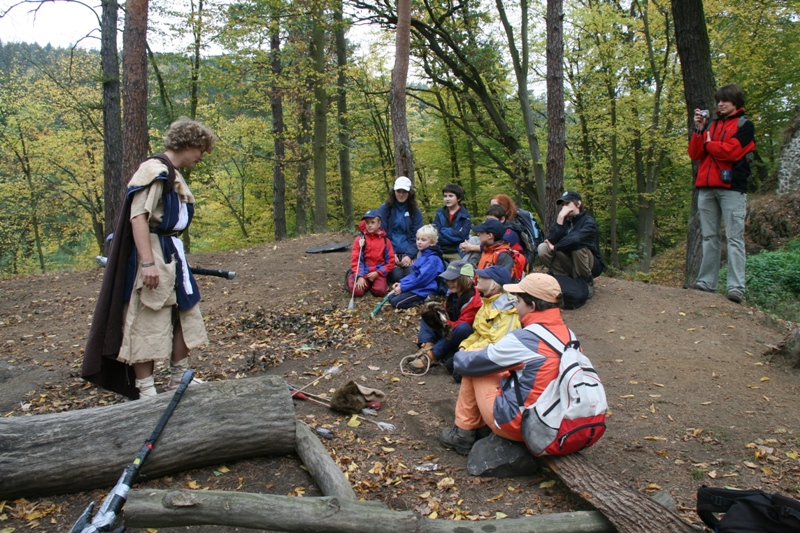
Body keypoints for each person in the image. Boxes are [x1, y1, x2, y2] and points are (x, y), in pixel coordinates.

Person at [82, 118, 216, 399]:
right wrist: (147, 263)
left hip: (172, 254)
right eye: (200, 150)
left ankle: (179, 378)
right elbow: (138, 217)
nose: (201, 157)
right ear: (188, 144)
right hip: (154, 253)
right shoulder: (153, 170)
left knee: (186, 314)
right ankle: (146, 389)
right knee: (147, 318)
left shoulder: (173, 173)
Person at [439, 274, 576, 455]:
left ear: (532, 306)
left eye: (518, 301)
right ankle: (475, 427)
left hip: (523, 424)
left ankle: (463, 433)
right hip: (557, 418)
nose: (515, 306)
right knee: (495, 370)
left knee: (475, 368)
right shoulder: (569, 336)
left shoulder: (527, 338)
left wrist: (460, 356)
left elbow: (472, 363)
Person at [688, 84, 755, 304]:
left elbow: (733, 152)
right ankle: (707, 283)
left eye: (725, 100)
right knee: (709, 237)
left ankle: (736, 288)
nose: (720, 104)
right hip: (706, 187)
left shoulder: (745, 125)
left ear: (736, 102)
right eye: (719, 100)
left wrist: (709, 143)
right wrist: (699, 131)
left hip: (732, 189)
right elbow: (695, 153)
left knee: (734, 238)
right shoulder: (712, 126)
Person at [404, 260, 482, 374]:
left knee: (463, 328)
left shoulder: (474, 301)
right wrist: (437, 317)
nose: (449, 283)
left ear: (466, 280)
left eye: (454, 280)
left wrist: (443, 322)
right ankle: (427, 345)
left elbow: (461, 325)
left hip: (461, 338)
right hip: (449, 330)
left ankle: (432, 356)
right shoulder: (454, 294)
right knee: (429, 313)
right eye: (448, 279)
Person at [537, 191, 604, 298]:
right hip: (567, 261)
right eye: (563, 205)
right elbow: (550, 241)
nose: (564, 208)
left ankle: (586, 281)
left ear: (578, 204)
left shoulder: (589, 222)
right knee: (542, 248)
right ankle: (564, 278)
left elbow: (577, 239)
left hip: (588, 263)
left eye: (567, 204)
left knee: (577, 246)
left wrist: (557, 247)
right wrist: (559, 219)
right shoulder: (564, 222)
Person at [378, 176, 424, 284]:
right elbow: (382, 234)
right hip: (390, 252)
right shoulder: (385, 209)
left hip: (408, 252)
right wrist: (391, 254)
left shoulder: (415, 211)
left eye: (404, 191)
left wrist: (409, 255)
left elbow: (417, 236)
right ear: (393, 191)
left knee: (412, 273)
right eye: (399, 191)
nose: (401, 194)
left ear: (410, 193)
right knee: (395, 275)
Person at [388, 224, 446, 309]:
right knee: (391, 297)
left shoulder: (433, 259)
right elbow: (415, 274)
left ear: (432, 242)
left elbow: (422, 279)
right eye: (418, 239)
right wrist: (401, 283)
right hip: (418, 286)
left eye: (423, 240)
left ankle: (428, 298)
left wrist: (403, 288)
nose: (419, 242)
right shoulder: (423, 255)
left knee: (396, 302)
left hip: (426, 288)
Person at [347, 209, 395, 298]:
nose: (369, 225)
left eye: (372, 222)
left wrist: (378, 272)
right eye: (367, 223)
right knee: (357, 291)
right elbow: (356, 259)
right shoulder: (360, 239)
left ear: (379, 224)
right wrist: (359, 276)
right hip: (364, 271)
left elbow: (391, 261)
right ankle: (352, 277)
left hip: (378, 272)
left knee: (380, 291)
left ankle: (374, 284)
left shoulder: (385, 241)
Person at [432, 183, 472, 262]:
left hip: (457, 251)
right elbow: (435, 234)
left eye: (451, 196)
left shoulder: (465, 215)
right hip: (440, 250)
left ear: (459, 198)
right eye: (445, 196)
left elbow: (462, 237)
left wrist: (443, 230)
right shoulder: (439, 213)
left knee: (460, 271)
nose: (447, 199)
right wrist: (454, 233)